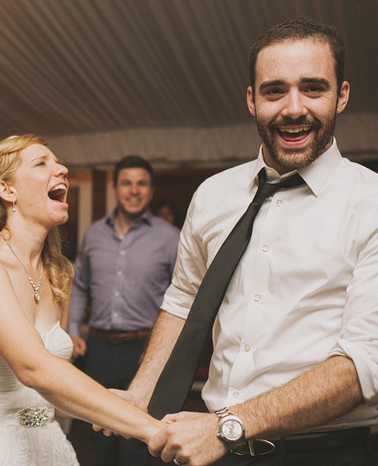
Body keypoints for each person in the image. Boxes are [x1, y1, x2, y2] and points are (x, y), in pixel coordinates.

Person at [116, 17, 378, 465]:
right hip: (220, 450)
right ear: (252, 101)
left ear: (343, 95)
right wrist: (139, 392)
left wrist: (224, 425)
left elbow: (363, 365)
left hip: (328, 452)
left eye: (313, 88)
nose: (294, 108)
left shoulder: (370, 201)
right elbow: (184, 301)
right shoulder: (213, 195)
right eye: (275, 91)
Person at [0, 134, 162, 465]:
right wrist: (150, 429)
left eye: (58, 162)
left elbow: (53, 390)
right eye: (42, 163)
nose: (61, 169)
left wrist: (113, 406)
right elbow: (33, 366)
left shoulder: (60, 276)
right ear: (7, 190)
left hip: (46, 446)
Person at [68, 155, 179, 465]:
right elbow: (80, 285)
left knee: (137, 439)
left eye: (141, 183)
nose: (134, 190)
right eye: (127, 183)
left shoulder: (170, 238)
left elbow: (185, 296)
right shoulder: (94, 234)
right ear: (116, 188)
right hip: (99, 348)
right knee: (99, 431)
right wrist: (74, 330)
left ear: (151, 190)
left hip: (145, 350)